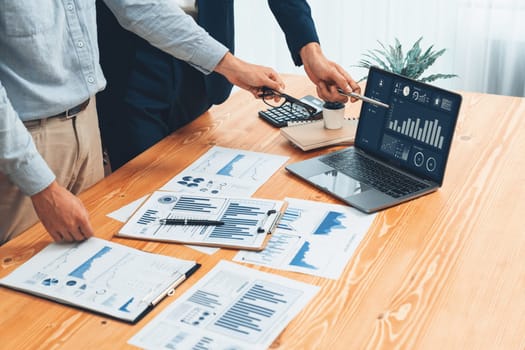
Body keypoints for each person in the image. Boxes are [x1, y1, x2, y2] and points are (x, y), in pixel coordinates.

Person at [0, 0, 285, 245]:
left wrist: (232, 67)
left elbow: (140, 6)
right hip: (26, 141)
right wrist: (42, 188)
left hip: (87, 123)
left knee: (82, 266)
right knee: (16, 285)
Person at [97, 0, 362, 171]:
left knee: (194, 176)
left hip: (203, 57)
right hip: (132, 60)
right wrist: (232, 66)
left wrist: (310, 52)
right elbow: (134, 8)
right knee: (137, 190)